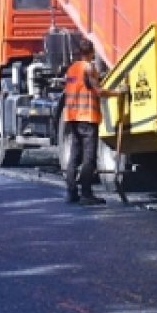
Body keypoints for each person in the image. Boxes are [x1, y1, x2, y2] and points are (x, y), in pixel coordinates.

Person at [62, 38, 122, 206]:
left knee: (74, 156)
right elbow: (98, 91)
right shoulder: (88, 68)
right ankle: (86, 193)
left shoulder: (72, 69)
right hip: (87, 117)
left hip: (72, 117)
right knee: (89, 158)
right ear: (92, 52)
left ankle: (71, 192)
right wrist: (118, 93)